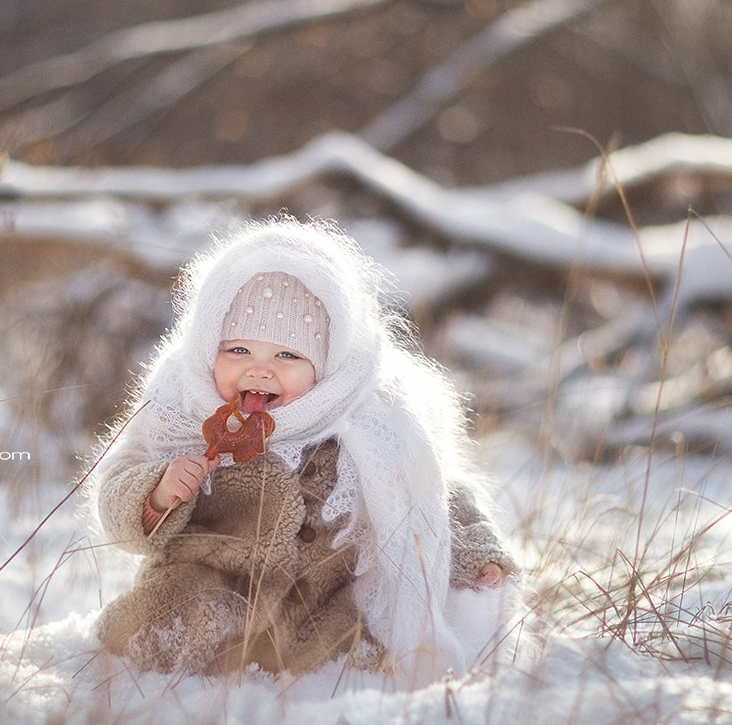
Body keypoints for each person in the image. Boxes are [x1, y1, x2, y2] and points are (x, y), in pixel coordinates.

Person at [87, 217, 517, 682]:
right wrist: (157, 494)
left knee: (366, 646)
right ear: (208, 346)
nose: (259, 371)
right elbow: (116, 487)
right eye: (237, 351)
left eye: (287, 356)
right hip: (213, 579)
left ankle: (337, 681)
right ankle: (177, 658)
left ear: (327, 363)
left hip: (323, 598)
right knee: (178, 612)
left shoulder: (369, 419)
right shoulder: (180, 411)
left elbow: (431, 494)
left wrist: (477, 552)